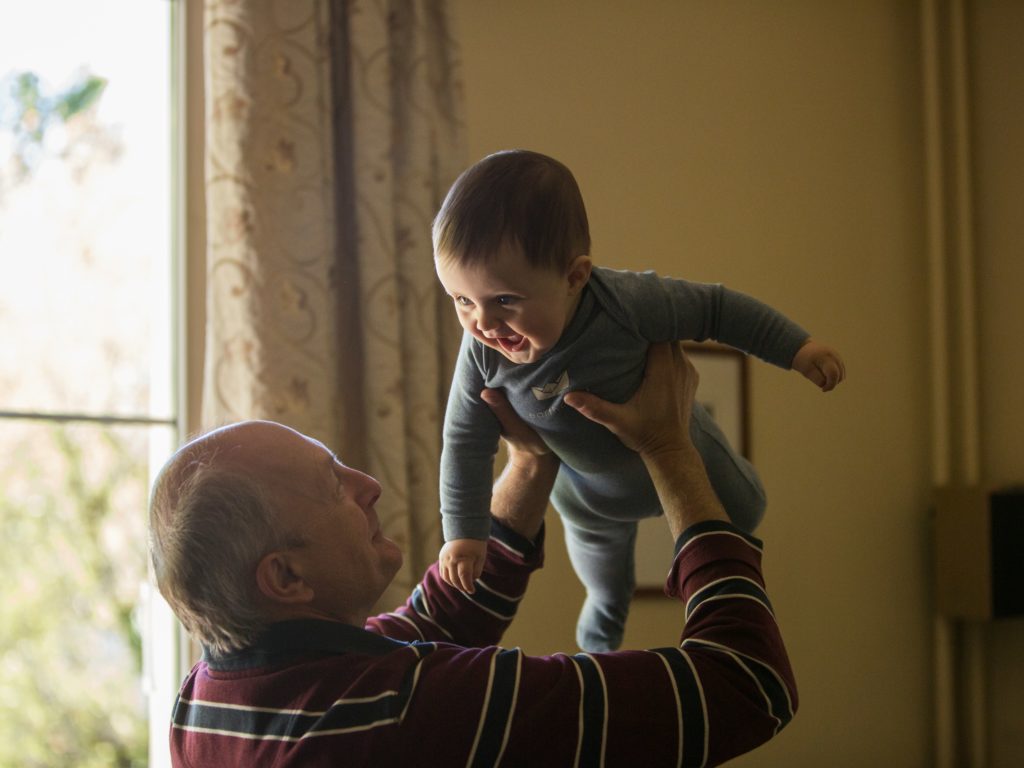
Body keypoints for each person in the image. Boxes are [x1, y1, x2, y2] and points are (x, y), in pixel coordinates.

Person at [150, 343, 797, 767]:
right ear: (285, 576)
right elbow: (746, 684)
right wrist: (670, 449)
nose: (368, 486)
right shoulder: (411, 713)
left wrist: (531, 461)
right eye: (333, 486)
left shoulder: (206, 702)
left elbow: (435, 621)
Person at [434, 148, 845, 651]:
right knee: (606, 586)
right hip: (588, 498)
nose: (483, 323)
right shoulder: (481, 353)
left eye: (505, 300)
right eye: (461, 300)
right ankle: (599, 647)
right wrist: (464, 533)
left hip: (683, 447)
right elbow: (464, 442)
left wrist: (797, 348)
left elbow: (716, 309)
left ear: (574, 277)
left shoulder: (626, 302)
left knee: (746, 511)